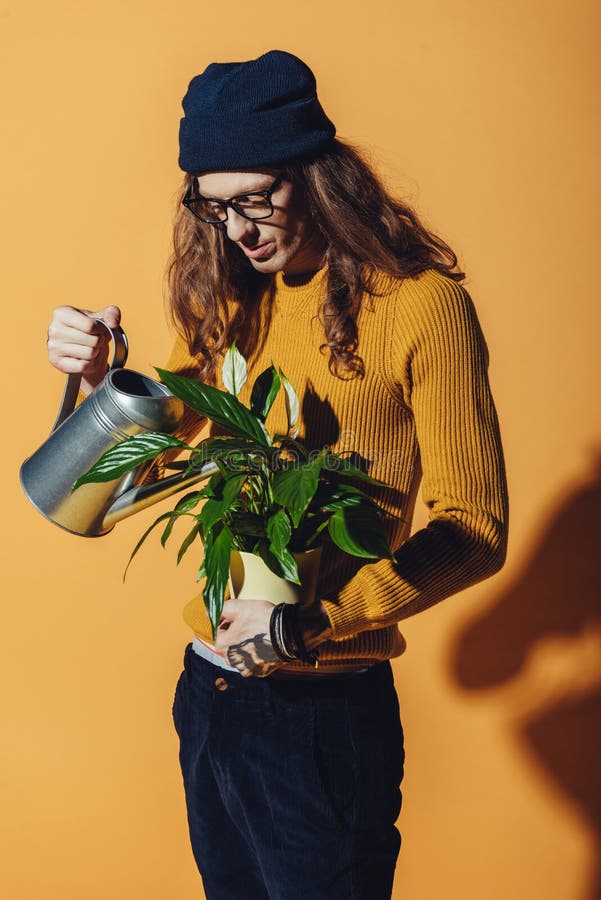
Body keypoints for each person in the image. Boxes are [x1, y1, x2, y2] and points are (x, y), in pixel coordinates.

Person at [46, 50, 509, 900]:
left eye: (258, 197)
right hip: (209, 699)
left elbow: (474, 527)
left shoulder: (417, 305)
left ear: (318, 177)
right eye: (215, 208)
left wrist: (317, 621)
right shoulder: (232, 303)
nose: (241, 230)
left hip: (322, 716)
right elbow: (103, 498)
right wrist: (100, 387)